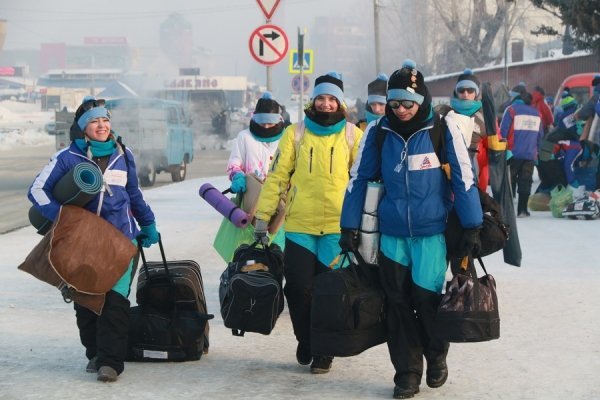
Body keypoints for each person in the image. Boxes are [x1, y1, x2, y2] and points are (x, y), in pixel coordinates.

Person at [340, 59, 483, 399]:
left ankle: (435, 357)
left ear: (422, 101)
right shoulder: (378, 132)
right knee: (398, 303)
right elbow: (358, 179)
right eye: (394, 103)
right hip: (391, 236)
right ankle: (406, 372)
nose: (401, 109)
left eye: (408, 102)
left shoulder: (442, 127)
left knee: (428, 300)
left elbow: (464, 179)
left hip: (431, 234)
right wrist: (349, 225)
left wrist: (472, 225)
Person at [27, 96, 159, 383]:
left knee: (114, 301)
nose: (101, 125)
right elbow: (37, 191)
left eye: (105, 120)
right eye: (94, 121)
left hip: (121, 240)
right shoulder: (67, 158)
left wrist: (148, 222)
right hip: (83, 242)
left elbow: (133, 193)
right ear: (83, 127)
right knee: (86, 302)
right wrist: (61, 217)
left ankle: (110, 362)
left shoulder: (124, 154)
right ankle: (95, 354)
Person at [252, 71, 363, 375]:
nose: (326, 104)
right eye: (321, 98)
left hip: (336, 230)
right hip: (300, 227)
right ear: (313, 100)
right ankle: (306, 338)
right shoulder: (295, 134)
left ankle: (324, 350)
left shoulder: (353, 136)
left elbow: (364, 182)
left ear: (340, 102)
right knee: (298, 289)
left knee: (330, 294)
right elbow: (276, 178)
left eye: (332, 99)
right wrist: (263, 216)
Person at [226, 91, 286, 249]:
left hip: (280, 203)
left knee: (277, 250)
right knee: (250, 249)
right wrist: (237, 175)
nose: (266, 126)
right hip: (251, 201)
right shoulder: (244, 137)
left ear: (279, 120)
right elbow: (235, 162)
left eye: (270, 123)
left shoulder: (286, 138)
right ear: (254, 118)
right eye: (262, 122)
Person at [500, 90, 544, 217]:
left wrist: (501, 149)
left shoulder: (511, 110)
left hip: (512, 153)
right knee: (526, 181)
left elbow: (503, 131)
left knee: (509, 180)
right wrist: (538, 153)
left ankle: (508, 209)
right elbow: (540, 136)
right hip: (530, 154)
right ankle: (523, 210)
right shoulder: (537, 114)